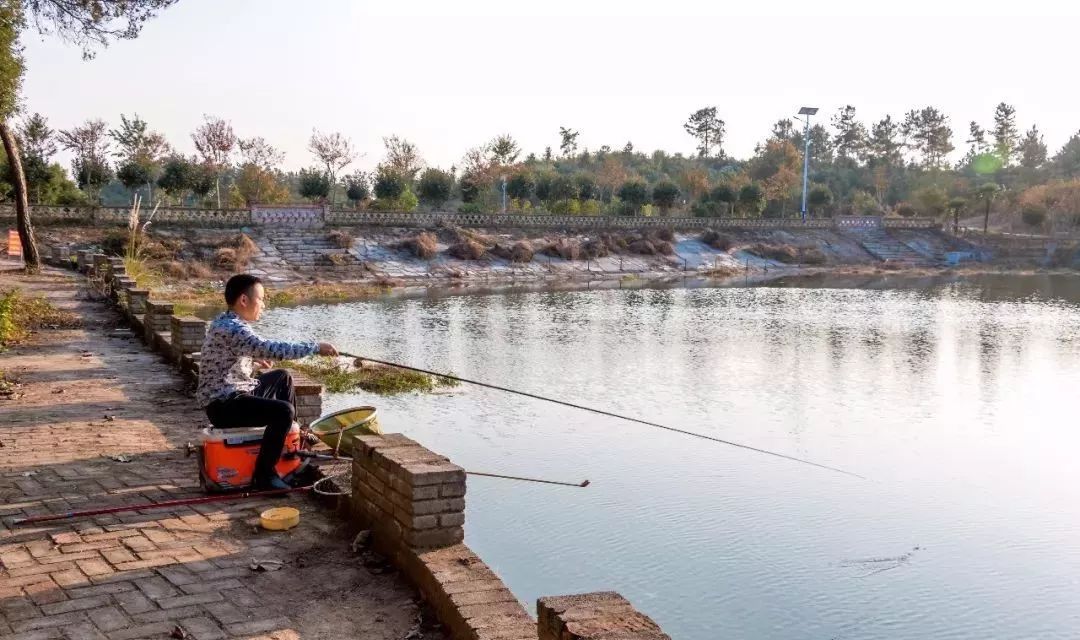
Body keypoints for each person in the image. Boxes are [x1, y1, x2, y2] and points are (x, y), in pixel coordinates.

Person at [196, 274, 338, 490]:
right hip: (223, 406)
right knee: (283, 411)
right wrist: (315, 347)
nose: (263, 304)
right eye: (260, 299)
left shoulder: (225, 322)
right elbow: (273, 348)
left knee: (282, 378)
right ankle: (264, 475)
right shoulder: (234, 328)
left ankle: (293, 441)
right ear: (244, 300)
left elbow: (224, 363)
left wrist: (251, 363)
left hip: (233, 394)